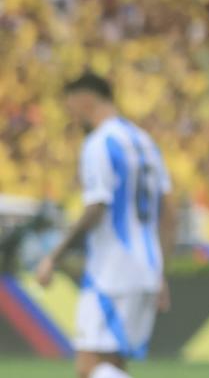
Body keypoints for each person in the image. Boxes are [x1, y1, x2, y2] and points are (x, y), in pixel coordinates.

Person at [36, 72, 176, 378]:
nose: (71, 116)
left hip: (112, 271)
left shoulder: (99, 143)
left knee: (88, 370)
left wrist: (53, 257)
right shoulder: (145, 141)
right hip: (145, 270)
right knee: (111, 365)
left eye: (71, 106)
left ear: (86, 100)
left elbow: (96, 207)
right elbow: (169, 213)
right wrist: (160, 271)